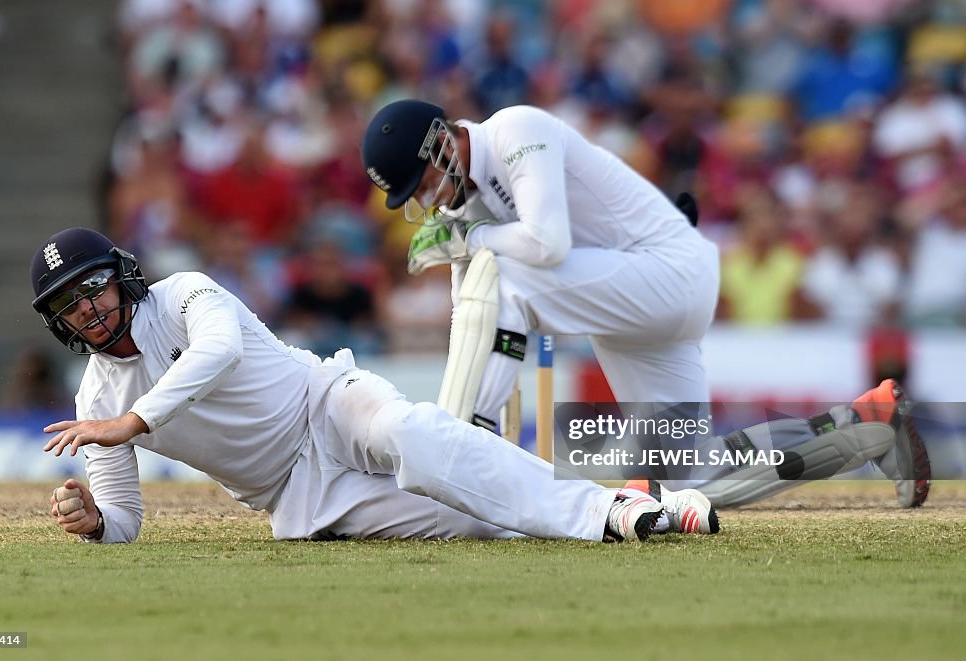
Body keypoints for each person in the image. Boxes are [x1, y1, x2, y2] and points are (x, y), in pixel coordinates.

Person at [359, 99, 931, 509]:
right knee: (688, 479)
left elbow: (548, 243)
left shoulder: (514, 130)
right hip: (627, 302)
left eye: (423, 181)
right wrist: (469, 242)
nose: (428, 199)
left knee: (502, 270)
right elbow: (473, 318)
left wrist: (473, 243)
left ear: (440, 142)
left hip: (668, 271)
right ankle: (870, 424)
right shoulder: (465, 213)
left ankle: (461, 450)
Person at [31, 227, 720, 544]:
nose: (88, 308)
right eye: (69, 304)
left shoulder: (183, 292)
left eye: (92, 287)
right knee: (480, 517)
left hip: (325, 400)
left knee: (414, 432)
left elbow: (218, 348)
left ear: (119, 276)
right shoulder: (96, 401)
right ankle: (642, 498)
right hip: (298, 496)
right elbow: (124, 523)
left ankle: (611, 518)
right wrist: (94, 522)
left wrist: (136, 422)